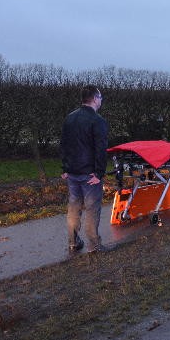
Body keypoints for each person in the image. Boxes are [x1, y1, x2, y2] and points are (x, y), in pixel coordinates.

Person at [60, 85, 109, 253]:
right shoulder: (98, 121)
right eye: (100, 97)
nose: (101, 100)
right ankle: (95, 245)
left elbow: (64, 145)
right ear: (95, 99)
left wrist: (65, 167)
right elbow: (100, 149)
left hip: (72, 173)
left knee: (73, 208)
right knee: (92, 209)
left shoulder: (69, 118)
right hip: (90, 175)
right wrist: (100, 172)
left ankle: (73, 242)